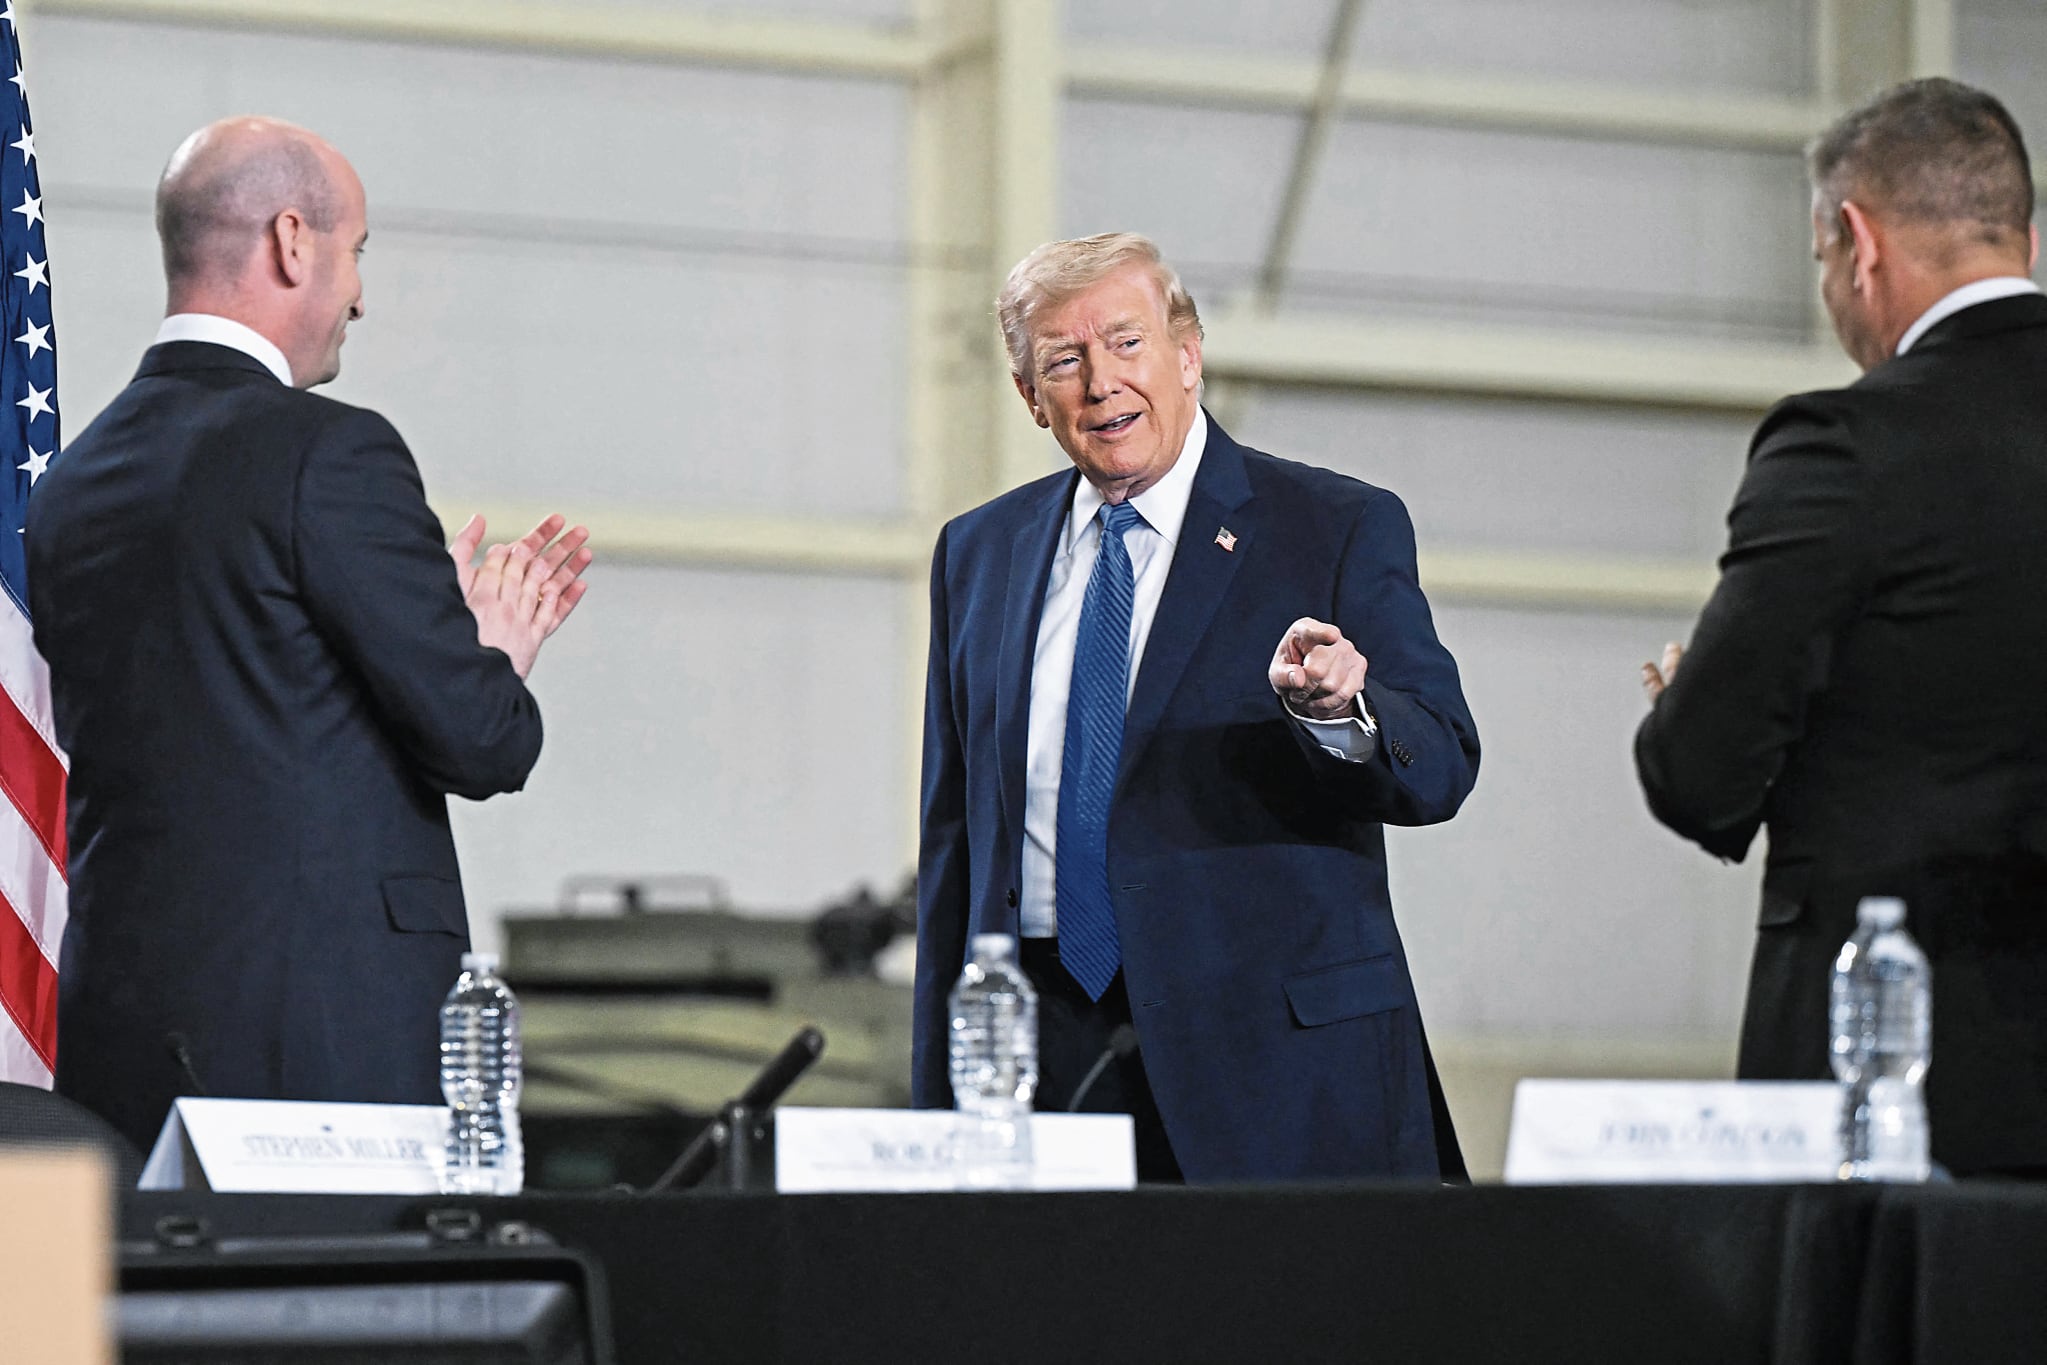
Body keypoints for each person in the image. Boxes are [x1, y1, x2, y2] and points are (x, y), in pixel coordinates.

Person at [25, 117, 592, 1155]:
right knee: (335, 1318)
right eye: (356, 253)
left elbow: (237, 706)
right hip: (321, 1059)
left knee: (150, 1319)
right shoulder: (330, 454)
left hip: (121, 1037)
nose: (361, 295)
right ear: (294, 241)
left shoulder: (73, 485)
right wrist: (491, 648)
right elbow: (483, 739)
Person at [913, 232, 1479, 1182]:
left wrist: (1343, 710)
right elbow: (954, 842)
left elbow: (1443, 763)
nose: (1100, 382)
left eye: (1126, 343)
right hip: (1047, 1064)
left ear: (1187, 353)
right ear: (1029, 397)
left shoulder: (1332, 525)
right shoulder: (978, 552)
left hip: (1272, 1067)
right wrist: (939, 1094)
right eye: (1064, 359)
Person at [1635, 78, 2047, 1176]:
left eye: (1822, 262)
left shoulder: (1845, 444)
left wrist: (1705, 696)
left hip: (1909, 1100)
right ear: (2027, 236)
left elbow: (1699, 772)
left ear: (1856, 242)